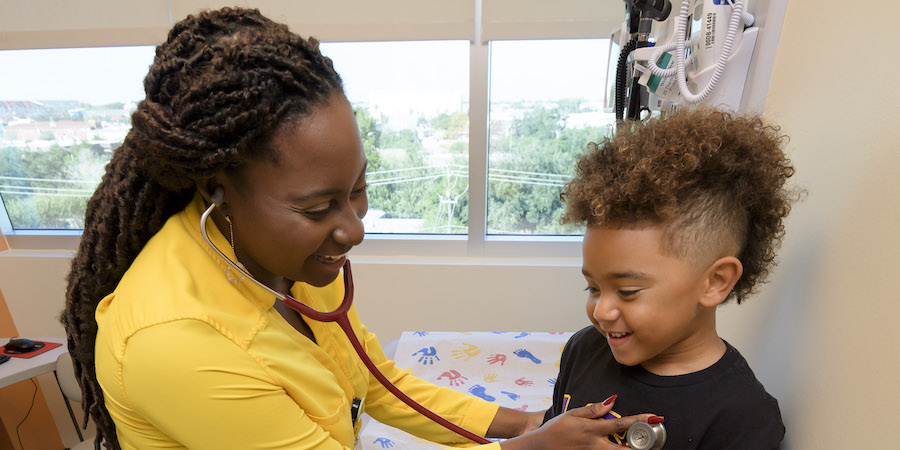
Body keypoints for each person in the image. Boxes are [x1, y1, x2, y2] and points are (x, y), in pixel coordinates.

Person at [61, 7, 653, 450]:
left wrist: (527, 424)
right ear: (218, 191)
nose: (353, 230)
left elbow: (377, 383)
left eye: (358, 191)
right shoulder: (173, 343)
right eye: (319, 208)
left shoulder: (289, 265)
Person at [545, 108, 797, 449]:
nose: (602, 312)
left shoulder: (742, 417)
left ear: (715, 281)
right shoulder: (584, 350)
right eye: (593, 287)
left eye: (629, 291)